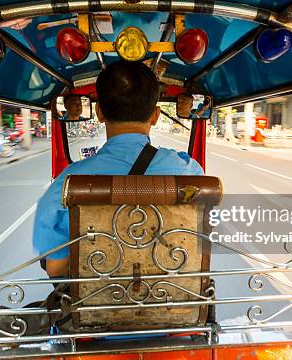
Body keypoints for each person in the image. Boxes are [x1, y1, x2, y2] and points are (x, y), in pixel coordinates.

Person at [33, 60, 204, 278]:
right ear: (155, 115)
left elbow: (55, 269)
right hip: (172, 296)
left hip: (92, 304)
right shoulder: (190, 171)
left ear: (99, 112)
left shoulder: (69, 181)